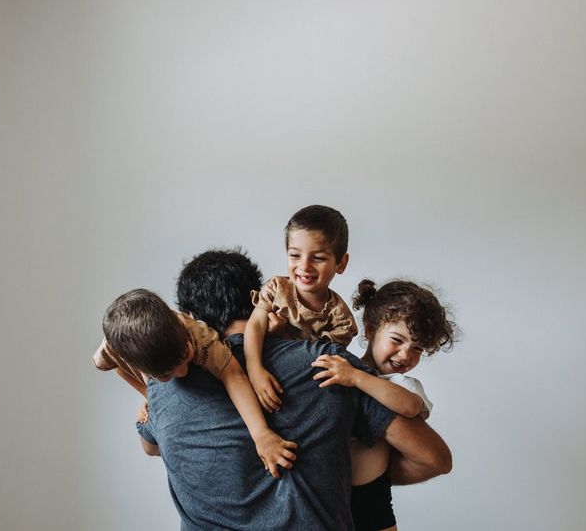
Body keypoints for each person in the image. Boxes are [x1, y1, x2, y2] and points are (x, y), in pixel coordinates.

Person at [136, 248, 452, 530]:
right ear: (257, 298)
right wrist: (341, 475)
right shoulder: (325, 364)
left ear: (191, 319)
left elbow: (151, 447)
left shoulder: (164, 385)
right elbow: (433, 458)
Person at [94, 288, 297, 477]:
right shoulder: (111, 348)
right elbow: (117, 367)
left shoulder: (197, 335)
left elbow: (234, 376)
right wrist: (149, 395)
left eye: (186, 355)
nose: (183, 372)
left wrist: (261, 434)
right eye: (166, 375)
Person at [311, 279, 456, 531]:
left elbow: (410, 407)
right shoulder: (344, 368)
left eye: (417, 349)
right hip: (327, 495)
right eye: (397, 340)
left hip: (370, 498)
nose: (405, 355)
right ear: (370, 330)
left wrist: (357, 378)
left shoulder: (402, 384)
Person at [245, 205, 359, 412]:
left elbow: (317, 360)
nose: (304, 266)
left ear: (341, 263)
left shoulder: (340, 320)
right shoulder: (276, 289)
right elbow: (254, 326)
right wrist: (255, 370)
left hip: (301, 391)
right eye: (295, 255)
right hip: (263, 372)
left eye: (318, 258)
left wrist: (282, 334)